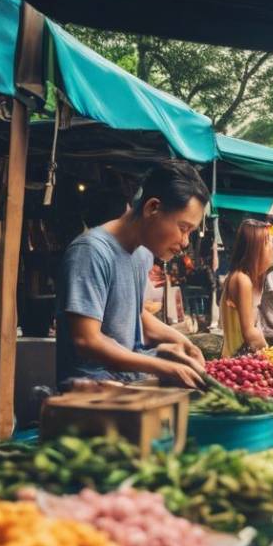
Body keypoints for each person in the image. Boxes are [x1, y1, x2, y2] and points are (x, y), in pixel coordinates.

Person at [56, 159, 208, 389]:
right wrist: (164, 366)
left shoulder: (142, 254)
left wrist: (183, 342)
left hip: (128, 388)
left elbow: (136, 316)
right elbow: (87, 339)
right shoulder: (92, 252)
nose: (185, 242)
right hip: (87, 398)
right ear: (152, 208)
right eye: (183, 228)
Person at [220, 220, 273, 357]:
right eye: (269, 243)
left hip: (240, 359)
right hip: (237, 361)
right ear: (256, 248)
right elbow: (250, 332)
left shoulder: (244, 278)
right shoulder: (242, 280)